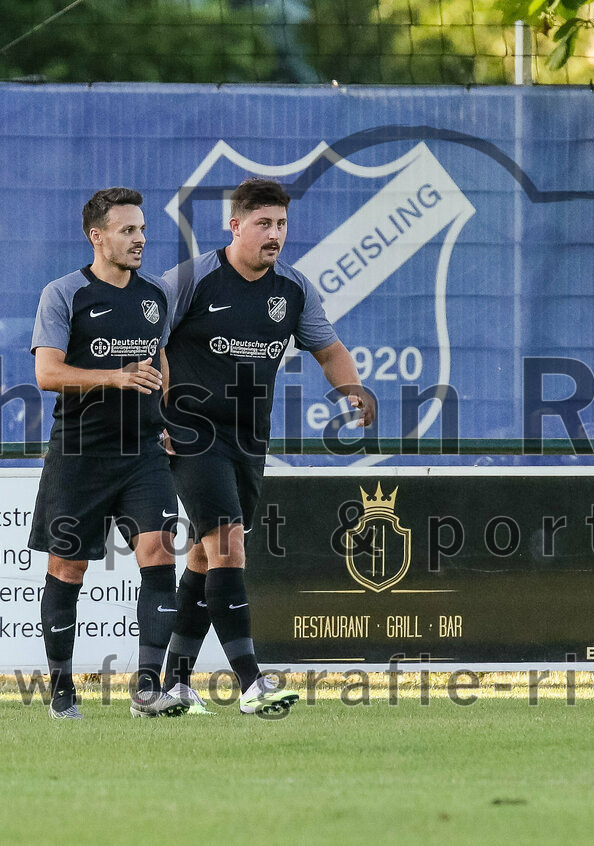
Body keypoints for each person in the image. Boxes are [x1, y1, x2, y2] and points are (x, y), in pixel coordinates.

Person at [160, 177, 375, 715]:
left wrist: (353, 389)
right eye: (263, 224)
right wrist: (152, 416)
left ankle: (174, 683)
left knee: (207, 558)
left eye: (281, 224)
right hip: (191, 434)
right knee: (229, 544)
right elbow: (147, 343)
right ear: (235, 225)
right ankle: (252, 683)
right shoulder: (190, 280)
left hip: (249, 440)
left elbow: (329, 351)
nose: (274, 234)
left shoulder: (293, 289)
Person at [29, 187, 188, 720]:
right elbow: (47, 373)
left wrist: (168, 419)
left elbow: (158, 362)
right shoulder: (63, 294)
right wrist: (114, 378)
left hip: (142, 454)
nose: (140, 239)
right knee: (68, 568)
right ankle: (61, 691)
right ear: (97, 237)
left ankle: (147, 688)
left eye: (142, 229)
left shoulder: (155, 294)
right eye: (127, 231)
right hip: (79, 456)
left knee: (160, 553)